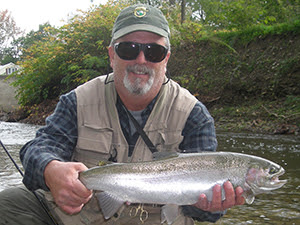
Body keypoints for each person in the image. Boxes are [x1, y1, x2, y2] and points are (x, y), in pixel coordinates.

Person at [0, 4, 245, 225]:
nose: (141, 60)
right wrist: (49, 169)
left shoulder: (194, 115)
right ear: (111, 55)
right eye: (128, 49)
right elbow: (37, 150)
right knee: (8, 203)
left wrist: (209, 206)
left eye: (154, 52)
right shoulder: (78, 100)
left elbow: (206, 215)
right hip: (80, 218)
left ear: (166, 60)